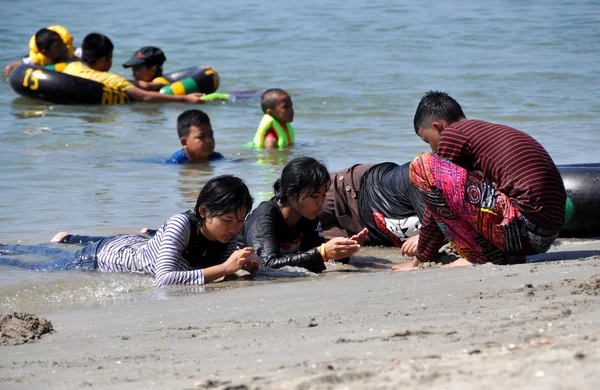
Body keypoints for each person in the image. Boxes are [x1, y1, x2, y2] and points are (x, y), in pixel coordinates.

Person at [394, 91, 566, 271]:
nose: (434, 148)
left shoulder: (453, 134)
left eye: (428, 140)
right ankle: (495, 253)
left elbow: (436, 201)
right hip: (543, 235)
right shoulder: (482, 132)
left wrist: (420, 258)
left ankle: (477, 254)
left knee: (422, 166)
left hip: (525, 230)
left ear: (438, 127)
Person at [0, 175, 261, 286]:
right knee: (32, 264)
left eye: (241, 220)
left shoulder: (230, 235)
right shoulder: (181, 224)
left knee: (45, 254)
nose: (236, 228)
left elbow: (206, 270)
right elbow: (165, 280)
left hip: (131, 244)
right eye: (228, 220)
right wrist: (227, 268)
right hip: (99, 257)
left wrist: (249, 264)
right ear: (203, 211)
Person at [241, 157, 368, 273]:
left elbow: (313, 259)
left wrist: (344, 251)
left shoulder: (307, 214)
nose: (321, 203)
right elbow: (265, 265)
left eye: (324, 195)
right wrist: (322, 253)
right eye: (314, 196)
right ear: (292, 195)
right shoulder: (265, 217)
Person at [320, 162, 426, 256]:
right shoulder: (424, 175)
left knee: (308, 245)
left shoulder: (441, 233)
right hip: (351, 192)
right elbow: (420, 172)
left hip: (363, 235)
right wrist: (426, 235)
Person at [62, 33, 205, 104]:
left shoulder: (70, 67)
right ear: (103, 60)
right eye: (110, 58)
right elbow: (144, 96)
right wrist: (184, 98)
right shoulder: (109, 79)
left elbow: (137, 85)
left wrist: (153, 85)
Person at [4, 26, 80, 76]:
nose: (64, 47)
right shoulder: (35, 60)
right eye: (58, 46)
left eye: (62, 43)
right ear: (45, 52)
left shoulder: (71, 52)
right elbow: (10, 68)